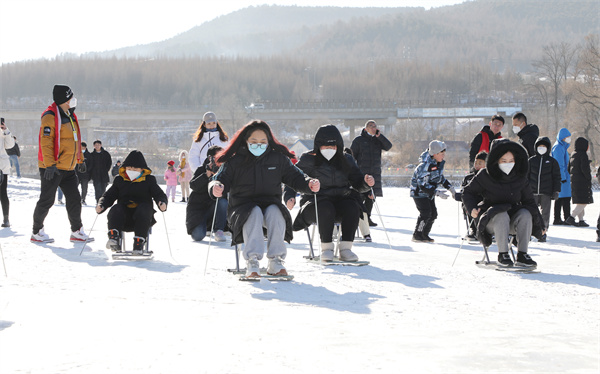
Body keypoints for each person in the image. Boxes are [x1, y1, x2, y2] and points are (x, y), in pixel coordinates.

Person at [209, 120, 319, 278]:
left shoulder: (278, 159)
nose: (258, 145)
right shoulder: (234, 161)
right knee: (254, 213)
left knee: (276, 212)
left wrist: (309, 183)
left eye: (262, 142)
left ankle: (275, 260)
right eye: (254, 142)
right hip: (242, 209)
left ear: (269, 142)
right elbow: (219, 178)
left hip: (270, 205)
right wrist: (216, 187)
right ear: (246, 141)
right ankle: (252, 260)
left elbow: (296, 176)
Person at [285, 124, 374, 262]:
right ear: (318, 146)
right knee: (326, 208)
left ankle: (346, 249)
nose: (329, 150)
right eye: (325, 147)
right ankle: (326, 248)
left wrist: (366, 183)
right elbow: (293, 178)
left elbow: (357, 182)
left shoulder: (347, 160)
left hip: (340, 201)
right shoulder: (309, 159)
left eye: (332, 147)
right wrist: (289, 196)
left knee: (352, 206)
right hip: (315, 204)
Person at [462, 139, 545, 267]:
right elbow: (467, 192)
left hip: (512, 220)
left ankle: (522, 254)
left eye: (511, 161)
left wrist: (541, 224)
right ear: (496, 160)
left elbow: (530, 202)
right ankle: (503, 254)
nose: (508, 164)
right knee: (501, 214)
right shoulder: (485, 175)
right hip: (490, 220)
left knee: (525, 213)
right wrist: (471, 208)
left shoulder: (520, 178)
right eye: (504, 161)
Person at [31, 84, 92, 243]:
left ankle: (77, 231)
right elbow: (46, 142)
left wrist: (80, 160)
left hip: (68, 167)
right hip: (52, 167)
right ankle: (36, 231)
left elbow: (74, 140)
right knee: (47, 200)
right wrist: (49, 164)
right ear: (64, 100)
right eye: (70, 98)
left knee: (74, 199)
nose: (73, 101)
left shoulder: (70, 115)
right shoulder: (50, 115)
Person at [96, 150, 168, 254]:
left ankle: (139, 243)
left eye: (135, 168)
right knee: (116, 209)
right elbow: (109, 195)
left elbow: (158, 194)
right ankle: (113, 238)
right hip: (124, 218)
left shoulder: (149, 180)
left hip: (142, 218)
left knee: (144, 209)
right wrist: (101, 204)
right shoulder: (119, 180)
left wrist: (162, 202)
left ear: (142, 169)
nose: (131, 170)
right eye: (129, 168)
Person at [350, 120, 393, 233]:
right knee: (360, 197)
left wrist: (380, 136)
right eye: (371, 126)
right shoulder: (359, 140)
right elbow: (351, 155)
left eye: (375, 126)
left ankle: (367, 218)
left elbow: (388, 146)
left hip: (375, 173)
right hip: (361, 174)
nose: (373, 128)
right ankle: (357, 218)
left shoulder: (377, 140)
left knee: (372, 197)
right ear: (365, 129)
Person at [410, 140, 456, 243]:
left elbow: (440, 179)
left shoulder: (438, 164)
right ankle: (417, 234)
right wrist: (437, 193)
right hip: (419, 193)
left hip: (429, 193)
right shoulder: (424, 166)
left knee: (433, 214)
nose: (444, 156)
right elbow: (423, 186)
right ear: (435, 154)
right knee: (425, 213)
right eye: (442, 154)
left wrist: (451, 189)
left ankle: (424, 234)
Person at [186, 146, 228, 242]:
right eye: (217, 157)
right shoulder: (202, 169)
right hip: (199, 210)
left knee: (222, 201)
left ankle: (219, 229)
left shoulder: (225, 171)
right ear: (210, 158)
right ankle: (206, 227)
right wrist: (207, 175)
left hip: (215, 207)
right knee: (197, 236)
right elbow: (193, 185)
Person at [527, 137, 561, 241]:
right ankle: (529, 231)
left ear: (548, 148)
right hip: (532, 192)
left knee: (545, 213)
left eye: (544, 146)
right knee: (530, 212)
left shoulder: (552, 162)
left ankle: (543, 231)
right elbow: (526, 176)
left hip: (546, 192)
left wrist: (556, 190)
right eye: (539, 146)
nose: (541, 148)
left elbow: (556, 177)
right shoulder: (531, 160)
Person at [458, 151, 487, 241]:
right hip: (471, 204)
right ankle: (474, 230)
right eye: (476, 162)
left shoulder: (489, 177)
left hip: (484, 203)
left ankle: (486, 231)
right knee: (468, 206)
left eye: (480, 163)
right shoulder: (468, 178)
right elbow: (464, 191)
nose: (477, 165)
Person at [565, 137, 593, 227]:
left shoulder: (573, 154)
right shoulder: (583, 155)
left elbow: (569, 169)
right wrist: (589, 178)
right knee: (584, 201)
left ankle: (581, 220)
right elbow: (585, 169)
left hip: (574, 182)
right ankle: (571, 217)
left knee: (580, 201)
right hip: (582, 182)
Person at [551, 128, 572, 225]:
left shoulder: (561, 147)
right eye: (567, 137)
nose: (569, 139)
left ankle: (559, 218)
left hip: (563, 176)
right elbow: (560, 164)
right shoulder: (559, 148)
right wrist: (562, 177)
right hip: (562, 177)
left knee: (561, 198)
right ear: (563, 137)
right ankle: (565, 218)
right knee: (564, 198)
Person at [1, 118, 16, 227]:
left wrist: (6, 130)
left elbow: (10, 145)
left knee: (3, 193)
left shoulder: (3, 133)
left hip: (2, 167)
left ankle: (6, 219)